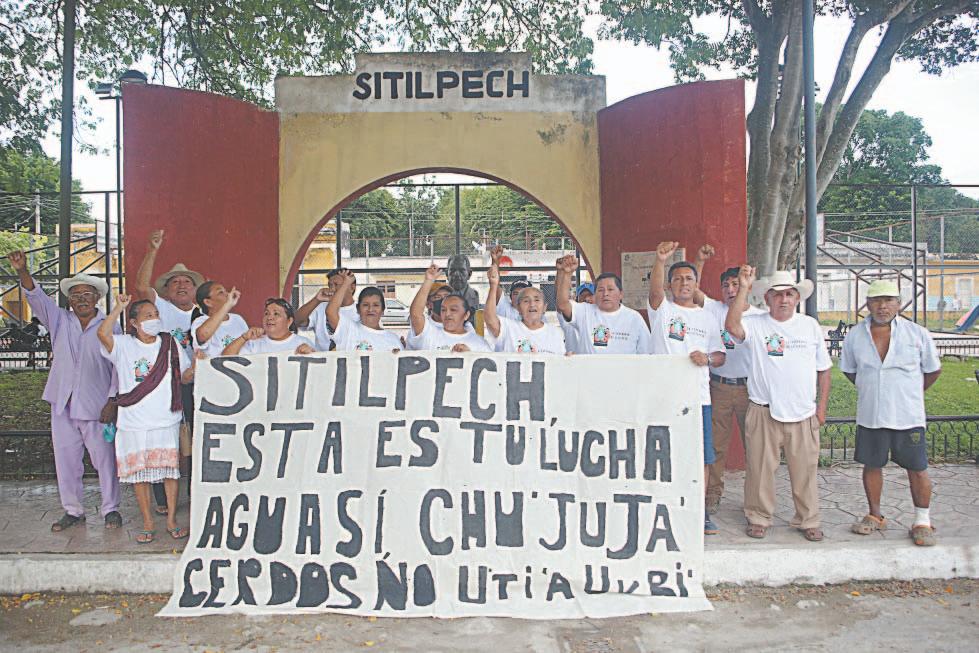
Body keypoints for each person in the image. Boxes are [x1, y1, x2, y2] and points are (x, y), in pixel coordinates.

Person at [7, 251, 122, 532]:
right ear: (69, 301)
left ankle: (111, 509)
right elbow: (36, 297)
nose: (81, 299)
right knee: (66, 460)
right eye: (76, 295)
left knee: (104, 460)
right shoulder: (59, 320)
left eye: (87, 294)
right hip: (62, 403)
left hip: (96, 405)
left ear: (97, 298)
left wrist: (113, 400)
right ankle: (73, 510)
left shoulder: (110, 325)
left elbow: (119, 366)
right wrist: (22, 270)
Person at [725, 266, 832, 542]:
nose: (783, 299)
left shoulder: (809, 326)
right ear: (767, 299)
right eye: (777, 295)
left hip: (803, 413)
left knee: (805, 471)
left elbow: (824, 369)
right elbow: (732, 327)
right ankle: (758, 517)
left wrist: (821, 409)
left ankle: (808, 519)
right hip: (764, 410)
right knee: (760, 470)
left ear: (797, 298)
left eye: (789, 294)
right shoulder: (756, 323)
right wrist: (744, 287)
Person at [840, 280, 942, 546]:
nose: (882, 306)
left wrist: (909, 393)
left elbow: (933, 370)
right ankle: (875, 515)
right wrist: (874, 389)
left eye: (888, 300)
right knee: (872, 464)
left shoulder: (917, 334)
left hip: (908, 414)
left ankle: (922, 521)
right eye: (876, 300)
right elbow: (850, 371)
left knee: (917, 467)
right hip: (871, 414)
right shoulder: (855, 335)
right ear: (867, 304)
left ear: (899, 304)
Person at [98, 296, 195, 543]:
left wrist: (197, 366)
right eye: (148, 316)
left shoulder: (169, 343)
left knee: (170, 473)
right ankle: (148, 522)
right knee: (139, 475)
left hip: (166, 419)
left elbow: (184, 376)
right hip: (133, 422)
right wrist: (118, 308)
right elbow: (102, 334)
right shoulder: (123, 345)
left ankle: (171, 520)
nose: (154, 319)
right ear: (134, 322)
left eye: (156, 314)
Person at [647, 242, 726, 535]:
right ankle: (662, 507)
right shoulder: (662, 310)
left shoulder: (708, 316)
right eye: (677, 279)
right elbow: (655, 293)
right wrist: (660, 260)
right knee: (663, 455)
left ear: (696, 284)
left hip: (698, 399)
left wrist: (708, 358)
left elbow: (720, 355)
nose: (683, 283)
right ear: (670, 285)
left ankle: (699, 513)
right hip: (664, 398)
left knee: (701, 457)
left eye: (689, 279)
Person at [133, 229, 204, 513]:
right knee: (166, 439)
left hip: (199, 384)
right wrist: (153, 250)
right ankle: (163, 499)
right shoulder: (160, 308)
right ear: (166, 290)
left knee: (198, 439)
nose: (181, 285)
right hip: (165, 385)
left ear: (196, 289)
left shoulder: (204, 314)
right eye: (175, 282)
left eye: (186, 282)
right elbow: (141, 286)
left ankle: (196, 494)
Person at [700, 262, 768, 515]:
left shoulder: (760, 317)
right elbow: (694, 291)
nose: (730, 289)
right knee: (716, 445)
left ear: (746, 287)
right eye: (726, 285)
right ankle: (713, 493)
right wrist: (700, 260)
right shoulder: (714, 309)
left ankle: (756, 500)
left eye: (735, 285)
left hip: (750, 389)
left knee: (755, 447)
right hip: (719, 386)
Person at [555, 255, 650, 355]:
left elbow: (646, 353)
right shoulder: (584, 311)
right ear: (595, 294)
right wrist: (567, 273)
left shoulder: (634, 318)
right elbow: (562, 304)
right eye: (601, 290)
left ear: (621, 294)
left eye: (610, 289)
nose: (605, 294)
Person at [484, 246, 565, 354]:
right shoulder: (509, 327)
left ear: (544, 307)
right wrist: (494, 281)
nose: (532, 304)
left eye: (537, 300)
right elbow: (490, 319)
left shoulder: (555, 333)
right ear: (518, 307)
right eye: (526, 300)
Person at [409, 264, 492, 352]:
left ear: (466, 315)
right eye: (443, 310)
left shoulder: (479, 343)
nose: (447, 314)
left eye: (453, 310)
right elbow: (416, 314)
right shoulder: (429, 334)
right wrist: (428, 281)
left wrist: (470, 356)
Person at [326, 270, 402, 352]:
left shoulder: (393, 339)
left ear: (383, 310)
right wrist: (346, 283)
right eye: (365, 305)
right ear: (358, 309)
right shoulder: (349, 330)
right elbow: (330, 312)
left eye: (376, 305)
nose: (370, 309)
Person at [222, 298, 316, 356]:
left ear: (289, 321)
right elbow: (225, 359)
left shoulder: (302, 343)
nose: (269, 317)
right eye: (266, 313)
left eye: (276, 314)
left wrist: (311, 353)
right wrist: (244, 337)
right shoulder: (254, 343)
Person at [295, 268, 358, 352]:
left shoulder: (361, 310)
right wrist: (316, 299)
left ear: (352, 287)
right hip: (323, 360)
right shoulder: (320, 307)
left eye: (336, 285)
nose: (332, 289)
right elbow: (296, 321)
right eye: (330, 285)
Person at [191, 282, 249, 359]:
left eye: (226, 291)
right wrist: (227, 305)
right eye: (221, 292)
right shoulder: (200, 321)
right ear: (208, 302)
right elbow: (203, 335)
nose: (227, 294)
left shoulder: (237, 318)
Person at [558, 282, 594, 354]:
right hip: (572, 359)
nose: (586, 298)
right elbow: (561, 303)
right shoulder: (570, 313)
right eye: (582, 295)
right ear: (577, 298)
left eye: (590, 295)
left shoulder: (600, 317)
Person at [446, 253, 480, 324]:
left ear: (469, 274)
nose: (457, 274)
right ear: (447, 273)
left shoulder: (474, 295)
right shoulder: (439, 296)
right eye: (452, 270)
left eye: (461, 271)